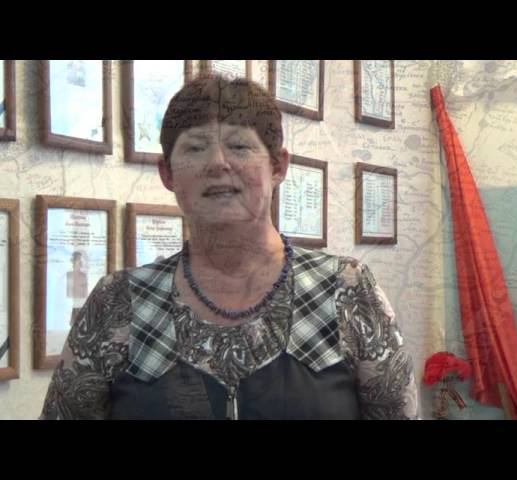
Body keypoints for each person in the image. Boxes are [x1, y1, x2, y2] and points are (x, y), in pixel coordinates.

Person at [40, 74, 418, 420]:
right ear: (167, 173)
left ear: (278, 166)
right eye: (195, 148)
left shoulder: (345, 292)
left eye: (239, 146)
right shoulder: (118, 302)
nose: (218, 163)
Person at [66, 250, 88, 326]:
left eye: (80, 260)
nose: (80, 262)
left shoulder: (83, 276)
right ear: (74, 261)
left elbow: (85, 292)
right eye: (78, 260)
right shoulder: (69, 275)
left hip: (81, 303)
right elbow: (68, 293)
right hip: (73, 302)